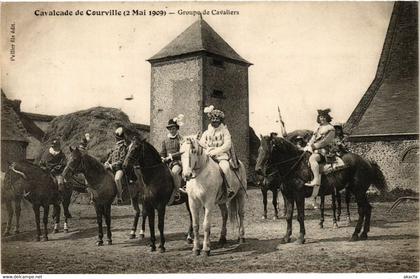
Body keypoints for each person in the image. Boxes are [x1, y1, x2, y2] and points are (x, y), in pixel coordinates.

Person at [200, 105, 239, 198]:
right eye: (213, 121)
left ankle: (229, 188)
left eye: (217, 121)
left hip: (221, 156)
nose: (215, 123)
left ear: (220, 121)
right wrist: (208, 150)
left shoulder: (225, 131)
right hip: (208, 156)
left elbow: (227, 145)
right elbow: (201, 143)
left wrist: (215, 151)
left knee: (225, 168)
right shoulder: (206, 132)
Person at [303, 109, 336, 190]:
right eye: (321, 117)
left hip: (325, 150)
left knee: (312, 158)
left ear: (327, 118)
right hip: (315, 149)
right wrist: (308, 145)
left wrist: (313, 147)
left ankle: (316, 180)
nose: (322, 119)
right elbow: (312, 138)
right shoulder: (319, 128)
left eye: (324, 117)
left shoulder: (330, 128)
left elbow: (325, 141)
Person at [160, 114, 186, 199]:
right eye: (170, 129)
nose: (171, 130)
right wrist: (162, 157)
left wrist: (171, 156)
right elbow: (163, 152)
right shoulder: (165, 140)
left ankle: (177, 192)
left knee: (174, 173)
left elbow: (182, 151)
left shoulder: (181, 139)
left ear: (177, 128)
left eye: (173, 128)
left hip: (178, 162)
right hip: (167, 163)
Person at [104, 127, 127, 205]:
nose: (115, 139)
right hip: (112, 167)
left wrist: (111, 165)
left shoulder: (123, 147)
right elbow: (111, 156)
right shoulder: (115, 147)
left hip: (119, 169)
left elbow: (121, 160)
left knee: (117, 179)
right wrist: (107, 162)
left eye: (116, 138)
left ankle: (119, 198)